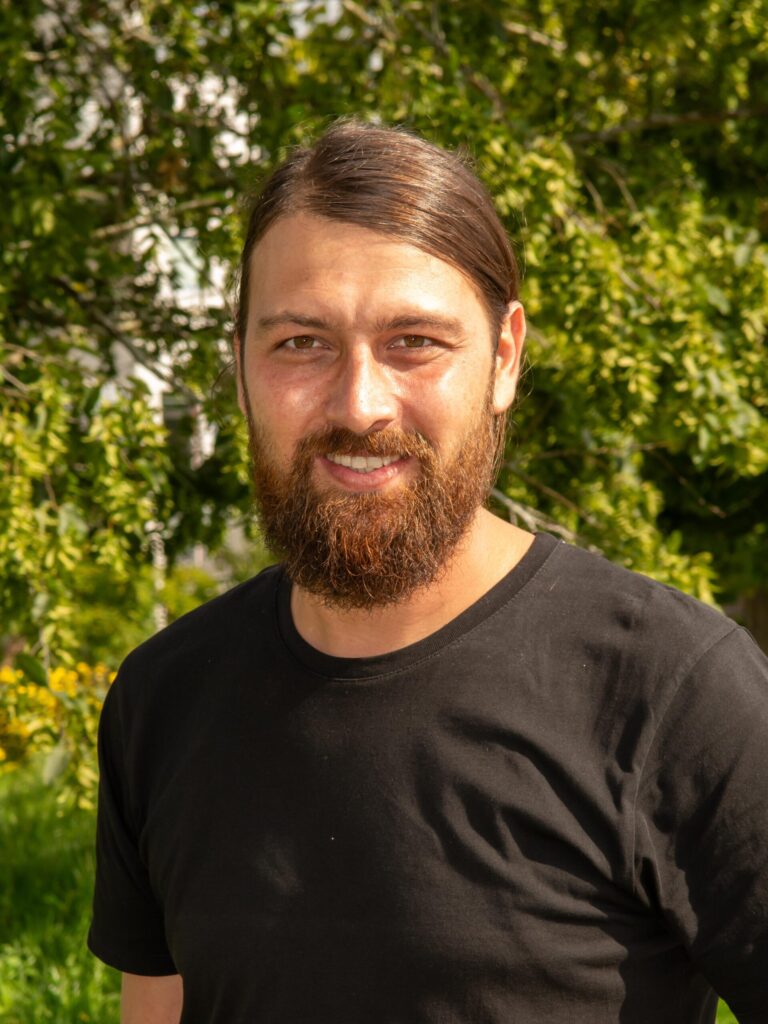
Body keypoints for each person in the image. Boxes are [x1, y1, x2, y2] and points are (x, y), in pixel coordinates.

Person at [88, 119, 768, 1024]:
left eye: (414, 341)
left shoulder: (672, 692)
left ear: (504, 359)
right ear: (240, 365)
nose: (359, 404)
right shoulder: (163, 700)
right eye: (301, 343)